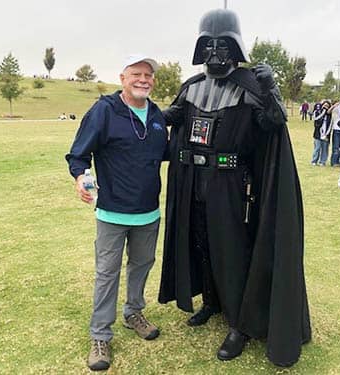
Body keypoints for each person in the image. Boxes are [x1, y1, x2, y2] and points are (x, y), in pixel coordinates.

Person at [158, 8, 311, 368]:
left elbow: (273, 123)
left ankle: (240, 324)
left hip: (230, 185)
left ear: (235, 45)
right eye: (208, 45)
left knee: (231, 249)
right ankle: (212, 301)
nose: (215, 52)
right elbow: (166, 119)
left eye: (222, 44)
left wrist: (271, 87)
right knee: (201, 242)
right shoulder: (191, 87)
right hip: (192, 181)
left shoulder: (250, 87)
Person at [65, 54, 168, 371]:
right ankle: (99, 335)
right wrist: (81, 177)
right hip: (112, 214)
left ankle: (133, 312)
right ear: (122, 78)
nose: (143, 79)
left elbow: (165, 153)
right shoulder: (104, 111)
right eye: (136, 74)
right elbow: (78, 155)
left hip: (148, 213)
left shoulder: (157, 115)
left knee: (142, 266)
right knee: (107, 275)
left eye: (148, 75)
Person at [311, 100, 332, 166]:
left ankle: (322, 161)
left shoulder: (330, 115)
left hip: (326, 134)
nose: (326, 107)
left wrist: (327, 134)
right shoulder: (317, 112)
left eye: (327, 106)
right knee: (317, 148)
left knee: (324, 148)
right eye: (324, 105)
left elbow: (330, 125)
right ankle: (314, 161)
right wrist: (323, 112)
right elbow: (315, 119)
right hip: (318, 134)